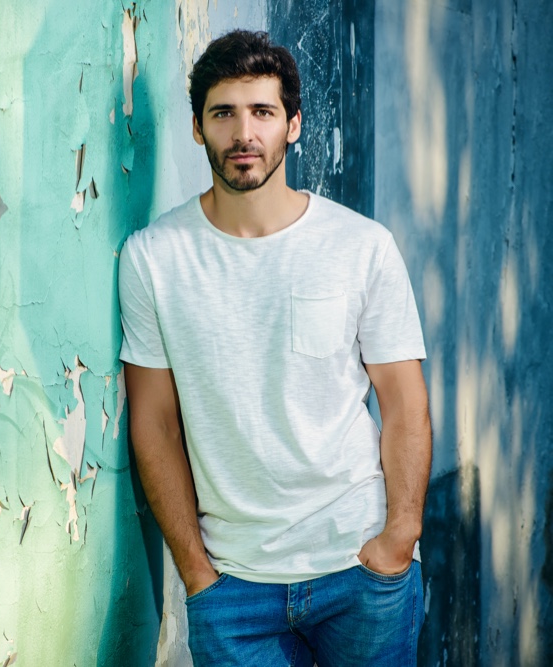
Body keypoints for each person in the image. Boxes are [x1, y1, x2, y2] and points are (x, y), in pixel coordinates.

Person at [118, 29, 431, 666]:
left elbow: (403, 401)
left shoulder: (361, 246)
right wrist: (197, 573)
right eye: (223, 113)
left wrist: (400, 536)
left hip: (359, 568)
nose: (243, 134)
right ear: (199, 127)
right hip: (233, 587)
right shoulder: (154, 257)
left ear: (292, 125)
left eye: (262, 112)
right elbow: (152, 422)